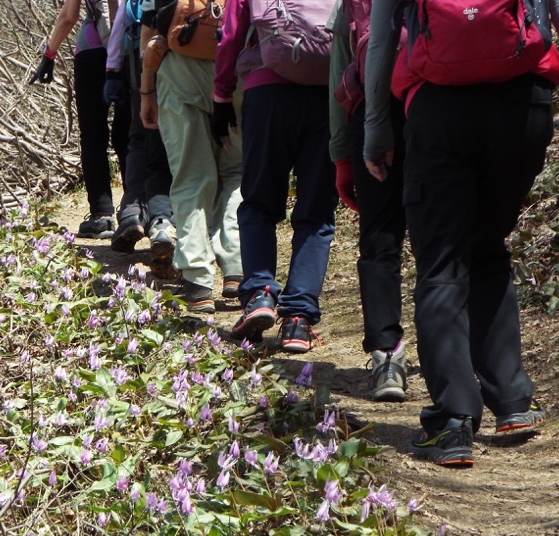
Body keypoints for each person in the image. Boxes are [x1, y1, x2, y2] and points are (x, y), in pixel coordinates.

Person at [362, 0, 559, 466]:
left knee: (441, 262)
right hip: (523, 106)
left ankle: (452, 421)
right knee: (487, 246)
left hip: (439, 108)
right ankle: (512, 400)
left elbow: (381, 41)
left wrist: (376, 126)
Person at [213, 0, 337, 352]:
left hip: (267, 91)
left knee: (258, 202)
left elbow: (231, 34)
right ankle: (298, 319)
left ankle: (260, 295)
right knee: (316, 211)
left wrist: (221, 94)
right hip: (328, 94)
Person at [138, 0, 244, 313]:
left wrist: (146, 91)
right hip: (237, 68)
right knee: (237, 172)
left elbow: (155, 33)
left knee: (191, 176)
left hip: (179, 72)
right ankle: (237, 267)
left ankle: (198, 279)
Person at [328, 0, 408, 397]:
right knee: (446, 243)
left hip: (375, 112)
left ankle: (387, 356)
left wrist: (341, 155)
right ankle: (461, 360)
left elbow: (339, 71)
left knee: (380, 238)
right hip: (444, 105)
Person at [30, 0, 130, 239]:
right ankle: (133, 209)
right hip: (130, 50)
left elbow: (69, 16)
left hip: (91, 52)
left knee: (93, 134)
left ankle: (102, 215)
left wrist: (49, 55)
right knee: (128, 131)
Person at [103, 0, 178, 278]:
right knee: (170, 148)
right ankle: (164, 221)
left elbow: (125, 18)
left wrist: (112, 68)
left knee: (141, 139)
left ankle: (134, 213)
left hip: (143, 57)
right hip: (193, 58)